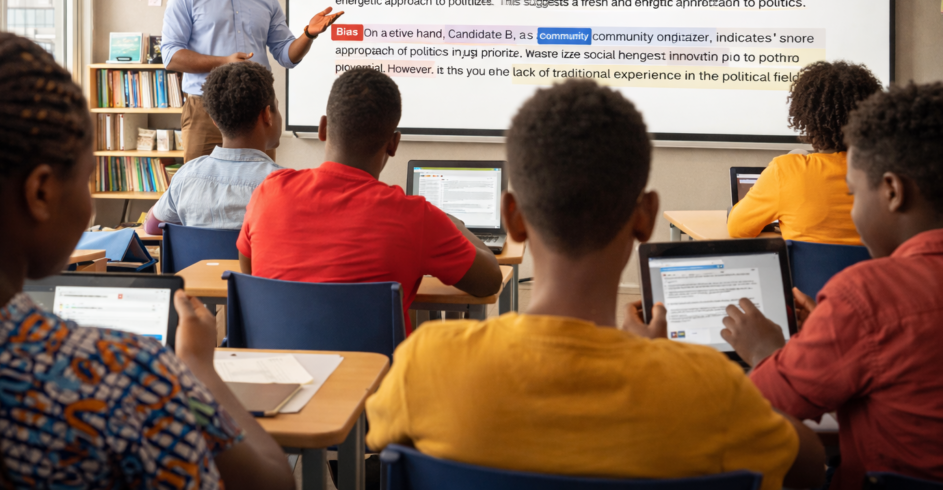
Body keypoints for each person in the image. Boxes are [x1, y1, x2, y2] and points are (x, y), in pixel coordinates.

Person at [365, 80, 824, 489]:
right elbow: (808, 468)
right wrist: (731, 359)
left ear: (513, 218)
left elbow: (382, 441)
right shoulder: (711, 390)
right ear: (644, 217)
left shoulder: (425, 364)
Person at [0, 32, 294, 490]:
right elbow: (274, 481)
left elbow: (151, 229)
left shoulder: (188, 178)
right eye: (88, 177)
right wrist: (197, 370)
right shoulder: (124, 379)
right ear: (41, 192)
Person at [722, 82, 943, 488]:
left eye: (853, 193)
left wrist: (765, 349)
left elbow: (771, 402)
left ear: (893, 191)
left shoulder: (866, 297)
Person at [237, 67, 502, 333]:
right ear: (394, 144)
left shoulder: (268, 192)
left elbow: (250, 278)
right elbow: (490, 280)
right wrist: (449, 221)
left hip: (280, 368)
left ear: (323, 128)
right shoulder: (416, 217)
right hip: (380, 372)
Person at [162, 0, 344, 162]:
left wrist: (308, 34)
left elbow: (286, 55)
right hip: (205, 107)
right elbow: (171, 56)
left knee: (260, 190)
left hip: (257, 107)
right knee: (199, 189)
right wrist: (225, 62)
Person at [728, 60, 881, 244]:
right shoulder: (890, 173)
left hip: (807, 274)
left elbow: (737, 230)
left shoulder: (785, 170)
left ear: (807, 118)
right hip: (874, 273)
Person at [145, 61, 283, 234]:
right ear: (267, 115)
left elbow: (152, 227)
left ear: (214, 120)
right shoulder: (285, 184)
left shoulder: (186, 176)